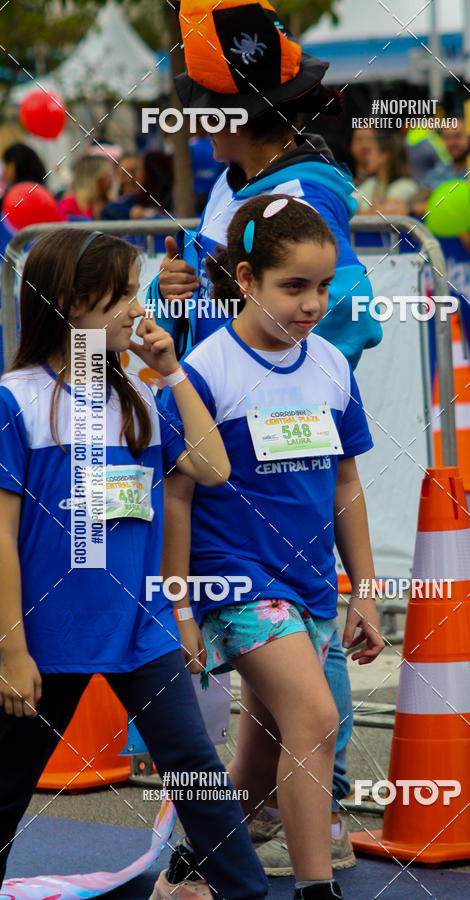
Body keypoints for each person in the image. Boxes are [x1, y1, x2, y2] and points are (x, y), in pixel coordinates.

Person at [151, 0, 383, 879]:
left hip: (298, 532)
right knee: (311, 716)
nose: (311, 301)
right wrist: (177, 599)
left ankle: (193, 866)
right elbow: (182, 470)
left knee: (269, 738)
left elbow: (346, 325)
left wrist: (363, 585)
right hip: (239, 549)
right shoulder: (212, 358)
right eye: (296, 286)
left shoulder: (304, 197)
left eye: (316, 285)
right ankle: (312, 850)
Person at [0, 228, 269, 900]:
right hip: (46, 638)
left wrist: (172, 371)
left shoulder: (141, 397)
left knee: (198, 773)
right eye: (121, 294)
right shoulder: (17, 399)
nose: (136, 307)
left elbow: (213, 468)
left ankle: (248, 892)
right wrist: (11, 650)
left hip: (140, 630)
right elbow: (0, 534)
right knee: (5, 790)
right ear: (68, 300)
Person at [152, 0, 381, 371]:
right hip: (214, 408)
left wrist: (271, 378)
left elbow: (352, 311)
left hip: (257, 422)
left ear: (237, 121)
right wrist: (170, 291)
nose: (198, 124)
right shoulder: (232, 183)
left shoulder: (300, 199)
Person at [355, 131, 419, 215]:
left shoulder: (406, 185)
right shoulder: (372, 182)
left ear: (384, 156)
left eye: (370, 152)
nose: (366, 157)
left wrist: (360, 213)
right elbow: (349, 203)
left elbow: (383, 214)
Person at [57, 155, 114, 220]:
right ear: (95, 177)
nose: (111, 178)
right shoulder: (70, 204)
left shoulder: (113, 203)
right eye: (108, 173)